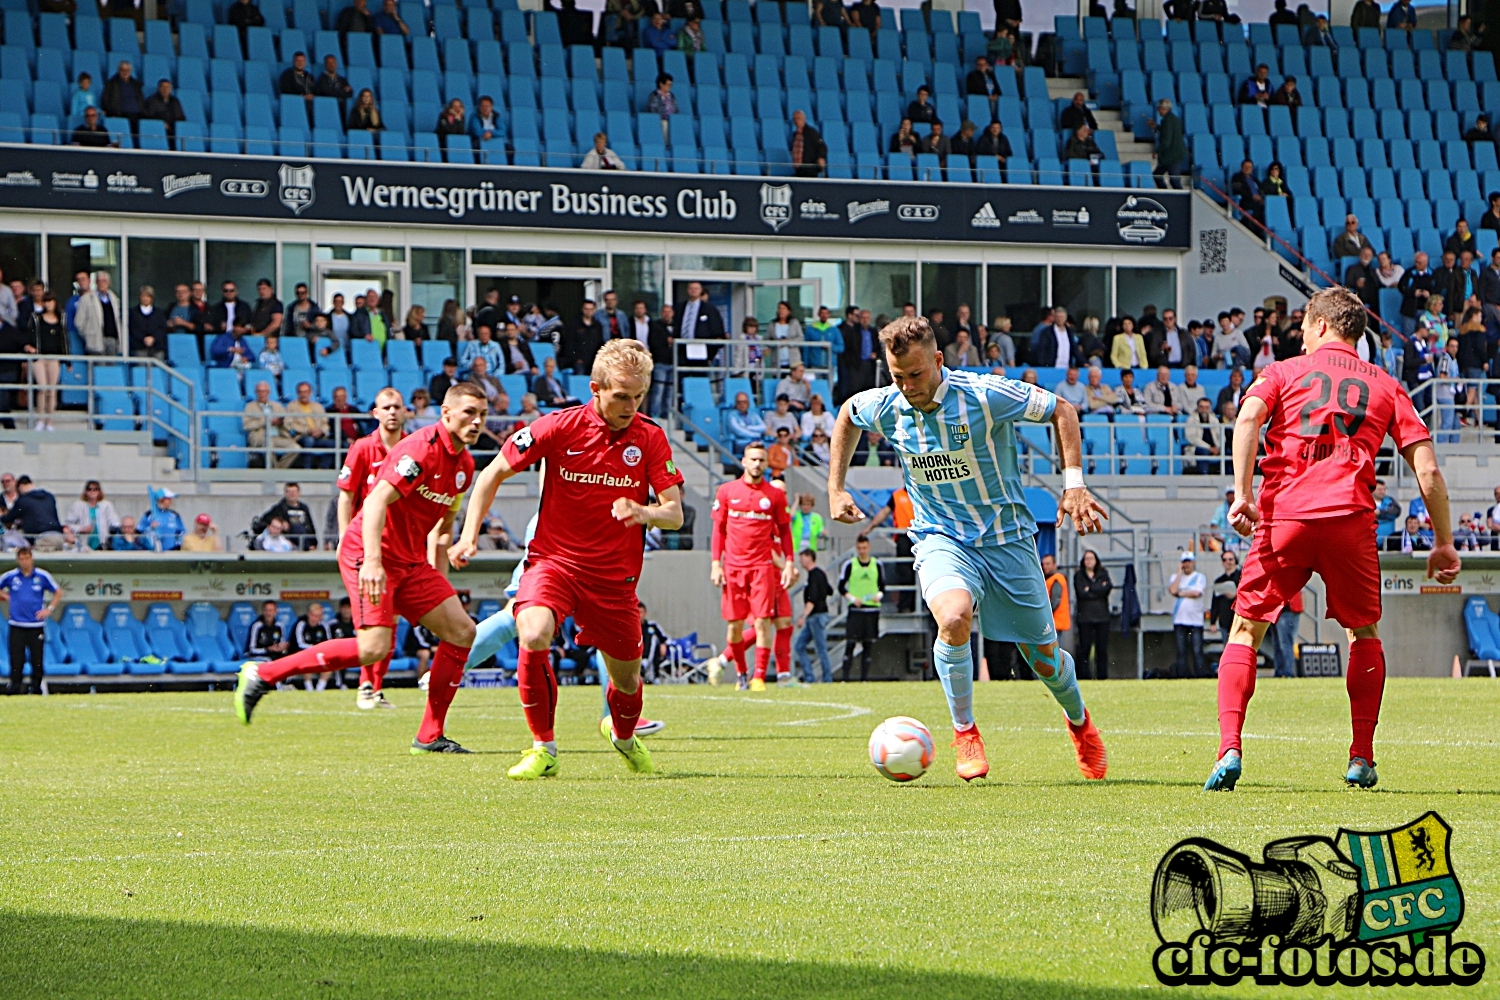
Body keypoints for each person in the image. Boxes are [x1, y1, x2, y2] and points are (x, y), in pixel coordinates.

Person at [1206, 288, 1460, 792]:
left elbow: (1248, 417)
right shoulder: (1387, 384)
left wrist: (1241, 494)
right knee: (1363, 636)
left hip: (1286, 519)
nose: (1299, 335)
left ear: (1321, 325)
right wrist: (1444, 542)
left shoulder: (1281, 372)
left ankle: (1229, 748)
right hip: (1350, 521)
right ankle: (1361, 757)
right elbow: (1427, 470)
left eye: (1303, 325)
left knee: (1245, 632)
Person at [832, 317, 1108, 780]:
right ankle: (965, 731)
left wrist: (1074, 484)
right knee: (954, 617)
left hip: (1008, 541)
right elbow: (846, 415)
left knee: (1043, 659)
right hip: (942, 537)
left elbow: (1062, 409)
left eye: (916, 374)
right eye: (897, 376)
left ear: (939, 360)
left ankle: (1079, 722)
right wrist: (836, 489)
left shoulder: (984, 394)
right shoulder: (885, 404)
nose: (906, 386)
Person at [446, 340, 685, 778]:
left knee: (628, 681)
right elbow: (492, 472)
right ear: (596, 388)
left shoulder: (650, 436)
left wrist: (643, 511)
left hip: (614, 578)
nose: (631, 405)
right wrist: (467, 537)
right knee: (533, 633)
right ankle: (544, 748)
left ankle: (624, 735)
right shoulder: (558, 426)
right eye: (621, 396)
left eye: (638, 396)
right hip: (555, 562)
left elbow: (675, 513)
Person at [233, 384, 488, 756]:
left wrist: (441, 584)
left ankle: (430, 736)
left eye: (482, 414)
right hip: (370, 553)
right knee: (373, 647)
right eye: (468, 412)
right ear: (446, 413)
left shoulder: (465, 466)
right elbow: (375, 502)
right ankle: (263, 674)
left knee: (463, 631)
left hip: (412, 562)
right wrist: (371, 561)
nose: (477, 421)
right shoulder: (420, 449)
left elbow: (443, 530)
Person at [333, 387, 406, 708]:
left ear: (406, 412)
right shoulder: (363, 448)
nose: (392, 412)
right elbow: (346, 495)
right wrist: (343, 537)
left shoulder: (411, 448)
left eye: (397, 407)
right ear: (375, 413)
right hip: (367, 548)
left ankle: (376, 687)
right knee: (372, 620)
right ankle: (364, 684)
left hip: (400, 547)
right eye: (385, 407)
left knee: (393, 620)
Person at [706, 442, 798, 690]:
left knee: (762, 622)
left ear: (767, 464)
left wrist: (789, 563)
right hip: (733, 567)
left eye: (761, 460)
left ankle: (758, 676)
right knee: (735, 625)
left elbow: (785, 533)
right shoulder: (727, 491)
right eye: (753, 459)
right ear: (744, 462)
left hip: (762, 567)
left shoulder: (775, 495)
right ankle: (741, 673)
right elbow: (718, 531)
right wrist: (716, 564)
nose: (757, 464)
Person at [1, 547, 60, 695]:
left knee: (37, 659)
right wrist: (7, 597)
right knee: (16, 659)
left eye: (27, 558)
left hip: (36, 625)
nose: (24, 561)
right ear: (17, 560)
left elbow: (58, 592)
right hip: (17, 625)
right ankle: (15, 687)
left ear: (31, 558)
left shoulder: (42, 575)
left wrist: (49, 609)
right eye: (21, 558)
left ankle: (36, 687)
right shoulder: (11, 576)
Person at [836, 535, 884, 682]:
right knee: (850, 643)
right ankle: (845, 678)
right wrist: (852, 598)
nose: (862, 551)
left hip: (871, 610)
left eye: (864, 548)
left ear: (868, 547)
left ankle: (864, 679)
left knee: (868, 644)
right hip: (856, 610)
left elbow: (883, 587)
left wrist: (878, 596)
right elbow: (840, 587)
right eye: (859, 548)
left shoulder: (877, 565)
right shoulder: (850, 565)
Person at [794, 548, 833, 684]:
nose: (800, 561)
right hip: (817, 616)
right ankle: (809, 677)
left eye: (802, 557)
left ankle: (827, 678)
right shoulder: (820, 574)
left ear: (809, 557)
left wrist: (803, 616)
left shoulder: (814, 575)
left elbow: (812, 599)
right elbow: (829, 590)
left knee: (821, 649)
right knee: (799, 646)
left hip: (816, 616)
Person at [1165, 553, 1207, 678]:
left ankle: (1200, 676)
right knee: (1181, 651)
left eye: (1189, 561)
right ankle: (1182, 676)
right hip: (1179, 620)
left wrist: (1181, 593)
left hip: (1196, 621)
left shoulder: (1200, 577)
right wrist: (1179, 573)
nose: (1186, 564)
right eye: (1184, 562)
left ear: (1193, 562)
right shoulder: (1174, 577)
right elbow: (1173, 590)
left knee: (1197, 651)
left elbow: (1197, 593)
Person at [243, 380, 301, 469]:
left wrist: (281, 422)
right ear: (256, 392)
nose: (262, 394)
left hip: (278, 436)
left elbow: (288, 422)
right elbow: (247, 425)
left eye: (264, 391)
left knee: (296, 448)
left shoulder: (278, 406)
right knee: (269, 444)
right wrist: (266, 421)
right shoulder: (250, 406)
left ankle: (278, 470)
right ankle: (275, 472)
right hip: (260, 437)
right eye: (259, 391)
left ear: (268, 392)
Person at [1073, 550, 1111, 681]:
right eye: (1086, 559)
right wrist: (1097, 589)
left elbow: (1106, 589)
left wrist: (1090, 588)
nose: (1088, 561)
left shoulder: (1103, 574)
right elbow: (1081, 593)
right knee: (1085, 648)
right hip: (1085, 618)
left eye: (1091, 558)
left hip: (1102, 617)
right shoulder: (1079, 575)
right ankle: (1085, 676)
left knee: (1102, 649)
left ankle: (1102, 676)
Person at [0, 476, 66, 550]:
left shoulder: (23, 500)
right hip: (59, 536)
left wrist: (2, 516)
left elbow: (8, 518)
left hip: (42, 539)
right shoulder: (49, 496)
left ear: (20, 487)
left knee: (37, 560)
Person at [253, 482, 318, 552]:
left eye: (294, 492)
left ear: (299, 493)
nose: (292, 494)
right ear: (285, 493)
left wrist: (313, 543)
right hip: (289, 546)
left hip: (305, 545)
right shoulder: (279, 508)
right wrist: (281, 524)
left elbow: (310, 526)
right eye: (289, 492)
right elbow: (264, 521)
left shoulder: (304, 508)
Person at [65, 481, 120, 552]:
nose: (92, 491)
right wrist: (81, 529)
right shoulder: (77, 505)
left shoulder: (107, 505)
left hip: (102, 542)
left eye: (95, 489)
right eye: (89, 489)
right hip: (83, 543)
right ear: (85, 491)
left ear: (99, 491)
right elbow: (68, 525)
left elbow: (114, 522)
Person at [1041, 553, 1071, 655]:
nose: (1045, 566)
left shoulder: (1056, 578)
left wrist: (1045, 615)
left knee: (1055, 652)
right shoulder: (1053, 578)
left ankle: (1058, 670)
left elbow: (1055, 601)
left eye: (1048, 564)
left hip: (1054, 620)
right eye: (1044, 564)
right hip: (1055, 621)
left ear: (1055, 564)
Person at [789, 109, 826, 179]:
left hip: (809, 170)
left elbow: (822, 146)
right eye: (795, 119)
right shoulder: (795, 135)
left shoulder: (811, 132)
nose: (796, 121)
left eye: (798, 118)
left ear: (804, 119)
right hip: (799, 170)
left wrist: (821, 157)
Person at [1230, 159, 1264, 225]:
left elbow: (1262, 190)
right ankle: (1258, 231)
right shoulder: (1237, 177)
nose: (1247, 169)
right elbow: (1237, 191)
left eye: (1249, 167)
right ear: (1241, 167)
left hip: (1258, 201)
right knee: (1257, 206)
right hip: (1245, 201)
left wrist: (1261, 198)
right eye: (1245, 167)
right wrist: (1252, 196)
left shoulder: (1254, 179)